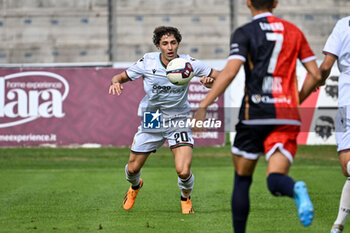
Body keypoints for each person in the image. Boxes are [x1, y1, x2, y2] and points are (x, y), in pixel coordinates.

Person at [193, 0, 321, 231]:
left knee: (242, 179)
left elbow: (231, 71)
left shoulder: (245, 33)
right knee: (275, 179)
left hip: (255, 114)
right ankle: (295, 189)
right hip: (286, 116)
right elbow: (316, 73)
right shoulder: (294, 31)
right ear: (275, 3)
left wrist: (204, 104)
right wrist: (295, 100)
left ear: (248, 3)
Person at [109, 26, 219, 214]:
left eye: (173, 43)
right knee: (132, 170)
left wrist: (211, 83)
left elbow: (222, 77)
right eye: (165, 43)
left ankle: (185, 199)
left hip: (178, 117)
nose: (170, 47)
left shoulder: (188, 64)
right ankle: (135, 186)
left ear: (178, 44)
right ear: (158, 46)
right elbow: (118, 77)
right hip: (153, 118)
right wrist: (116, 82)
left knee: (183, 171)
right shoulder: (147, 62)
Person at [318, 16, 350, 233]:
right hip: (344, 106)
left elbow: (327, 65)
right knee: (347, 169)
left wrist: (317, 81)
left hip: (344, 107)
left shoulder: (343, 25)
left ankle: (338, 225)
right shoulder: (343, 24)